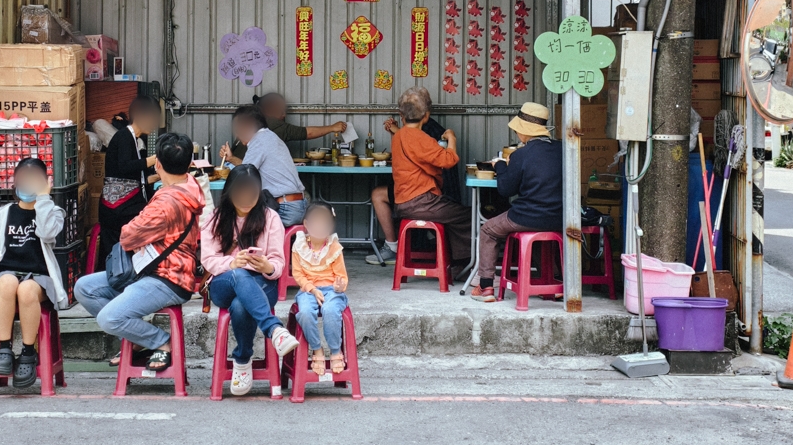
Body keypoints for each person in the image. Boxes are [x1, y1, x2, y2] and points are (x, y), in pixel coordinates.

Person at [74, 132, 204, 372]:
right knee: (85, 288)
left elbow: (127, 236)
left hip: (166, 277)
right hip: (151, 271)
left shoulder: (167, 202)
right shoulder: (191, 186)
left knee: (108, 318)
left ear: (159, 164)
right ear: (189, 165)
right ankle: (136, 336)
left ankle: (162, 342)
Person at [202, 164, 301, 395]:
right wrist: (231, 263)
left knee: (240, 304)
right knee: (238, 274)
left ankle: (242, 360)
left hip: (262, 284)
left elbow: (278, 263)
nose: (246, 198)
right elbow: (208, 259)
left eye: (252, 193)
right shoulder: (215, 219)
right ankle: (274, 330)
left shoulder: (270, 218)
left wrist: (267, 266)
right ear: (229, 192)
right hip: (224, 283)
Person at [0, 158, 69, 388]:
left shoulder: (53, 212)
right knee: (6, 282)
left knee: (26, 290)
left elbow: (47, 234)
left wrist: (44, 199)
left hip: (39, 278)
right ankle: (4, 349)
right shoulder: (1, 214)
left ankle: (28, 352)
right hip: (7, 273)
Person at [471, 102, 563, 302]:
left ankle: (486, 287)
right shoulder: (563, 149)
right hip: (559, 217)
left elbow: (505, 190)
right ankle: (555, 283)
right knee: (539, 237)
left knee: (488, 229)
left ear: (524, 131)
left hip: (526, 216)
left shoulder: (520, 154)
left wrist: (501, 166)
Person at [367, 87, 463, 265]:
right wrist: (452, 138)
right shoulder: (423, 137)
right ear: (426, 115)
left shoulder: (398, 136)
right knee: (467, 217)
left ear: (401, 115)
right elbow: (449, 160)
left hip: (403, 203)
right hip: (423, 202)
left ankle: (452, 260)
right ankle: (461, 263)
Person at [218, 105, 308, 226]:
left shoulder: (259, 140)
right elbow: (249, 168)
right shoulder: (268, 137)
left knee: (239, 222)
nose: (238, 135)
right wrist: (231, 158)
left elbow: (245, 175)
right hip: (295, 205)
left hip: (284, 208)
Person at [98, 95, 162, 263]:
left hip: (123, 204)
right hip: (116, 207)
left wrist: (158, 176)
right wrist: (153, 159)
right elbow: (124, 167)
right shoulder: (124, 136)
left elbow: (133, 178)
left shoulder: (134, 139)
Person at [291, 202, 349, 377]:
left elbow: (342, 277)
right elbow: (298, 275)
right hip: (308, 290)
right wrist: (312, 289)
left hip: (331, 290)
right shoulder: (299, 246)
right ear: (307, 225)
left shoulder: (334, 248)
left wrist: (340, 286)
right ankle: (317, 349)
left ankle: (335, 350)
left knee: (331, 310)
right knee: (306, 312)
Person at [228, 92, 347, 159]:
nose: (284, 115)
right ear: (269, 109)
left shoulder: (254, 122)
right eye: (281, 110)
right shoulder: (272, 125)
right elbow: (306, 133)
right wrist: (332, 127)